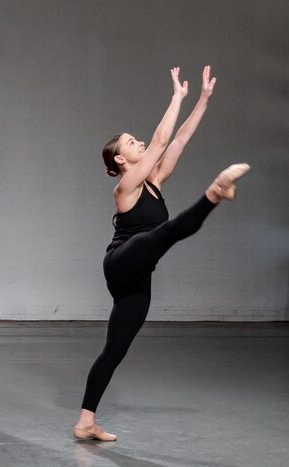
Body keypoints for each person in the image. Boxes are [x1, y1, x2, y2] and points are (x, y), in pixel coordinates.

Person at [74, 66, 250, 441]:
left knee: (115, 350)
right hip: (122, 260)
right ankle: (215, 193)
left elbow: (178, 141)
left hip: (139, 277)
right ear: (120, 160)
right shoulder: (126, 186)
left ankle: (85, 421)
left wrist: (201, 100)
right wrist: (176, 98)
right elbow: (160, 138)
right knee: (162, 235)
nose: (139, 144)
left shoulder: (153, 182)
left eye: (137, 140)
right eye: (130, 143)